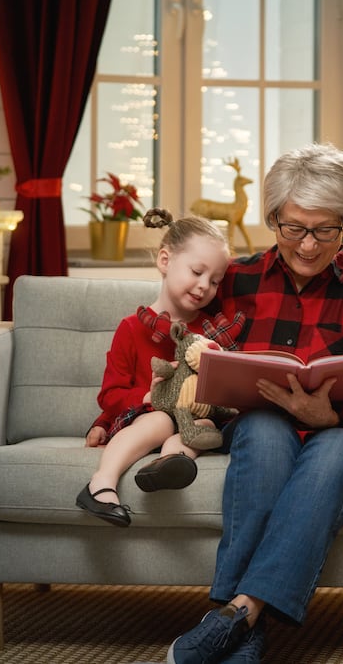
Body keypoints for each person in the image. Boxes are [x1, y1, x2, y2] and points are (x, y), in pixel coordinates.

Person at [165, 143, 343, 664]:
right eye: (295, 228)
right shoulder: (236, 280)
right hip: (258, 423)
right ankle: (244, 625)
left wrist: (331, 415)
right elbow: (191, 350)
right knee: (267, 432)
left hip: (341, 429)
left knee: (337, 453)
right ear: (272, 218)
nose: (310, 245)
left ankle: (236, 616)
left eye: (326, 229)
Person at [76, 208, 244, 527]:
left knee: (205, 427)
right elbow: (111, 394)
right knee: (161, 419)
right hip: (146, 418)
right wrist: (148, 398)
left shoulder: (211, 332)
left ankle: (169, 465)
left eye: (214, 281)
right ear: (165, 261)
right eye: (196, 272)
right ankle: (100, 485)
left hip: (190, 419)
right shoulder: (131, 328)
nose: (204, 286)